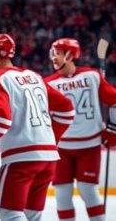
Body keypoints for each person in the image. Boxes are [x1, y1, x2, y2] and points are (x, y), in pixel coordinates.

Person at [0, 33, 74, 221]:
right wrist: (50, 139)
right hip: (48, 158)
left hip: (21, 158)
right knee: (32, 215)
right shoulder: (34, 76)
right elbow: (66, 109)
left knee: (10, 212)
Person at [45, 38, 116, 221]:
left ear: (69, 55)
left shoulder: (92, 76)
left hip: (89, 146)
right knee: (61, 195)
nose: (53, 58)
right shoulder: (48, 84)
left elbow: (114, 100)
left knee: (89, 191)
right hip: (61, 148)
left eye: (57, 53)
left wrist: (113, 129)